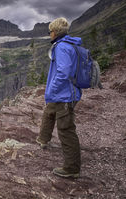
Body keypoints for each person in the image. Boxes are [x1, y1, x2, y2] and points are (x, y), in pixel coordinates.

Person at [36, 17, 81, 178]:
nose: (49, 35)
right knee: (49, 112)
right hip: (63, 94)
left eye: (50, 32)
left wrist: (52, 90)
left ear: (55, 32)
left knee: (66, 129)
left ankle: (72, 168)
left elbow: (64, 72)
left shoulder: (61, 47)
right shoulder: (69, 45)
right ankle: (43, 139)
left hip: (64, 95)